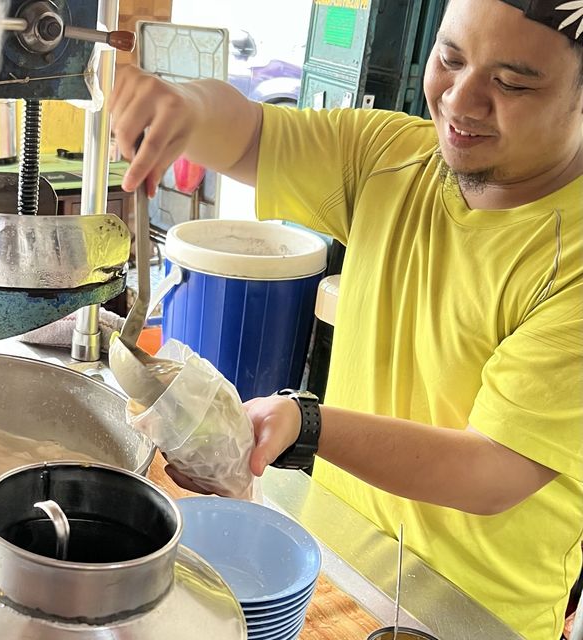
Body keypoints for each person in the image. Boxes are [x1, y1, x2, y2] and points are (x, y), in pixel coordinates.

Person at [110, 0, 582, 638]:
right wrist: (186, 107)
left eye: (512, 83)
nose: (462, 101)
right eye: (450, 58)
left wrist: (306, 424)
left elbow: (495, 470)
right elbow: (249, 135)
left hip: (474, 612)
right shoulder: (392, 155)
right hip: (339, 558)